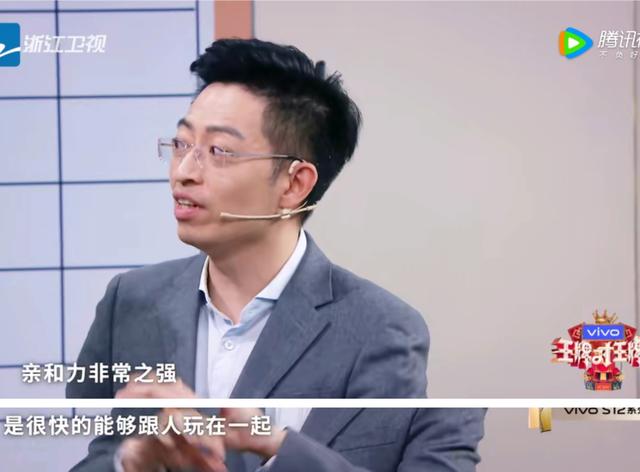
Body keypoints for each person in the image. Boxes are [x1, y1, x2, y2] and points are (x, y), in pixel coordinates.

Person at [67, 38, 484, 471]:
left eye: (219, 151)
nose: (184, 172)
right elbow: (101, 454)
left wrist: (276, 447)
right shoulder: (131, 300)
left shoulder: (380, 331)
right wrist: (131, 463)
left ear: (294, 184)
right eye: (182, 144)